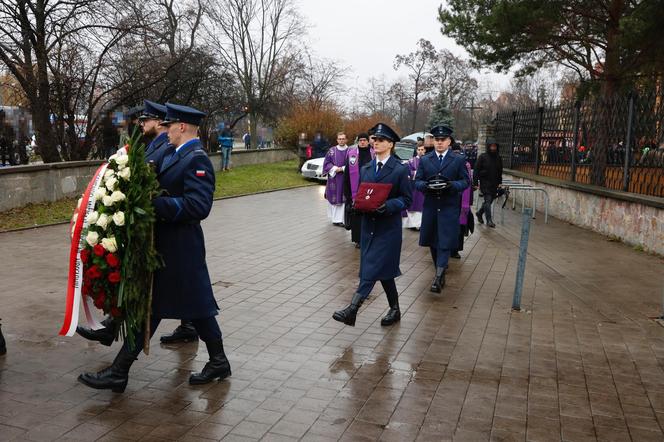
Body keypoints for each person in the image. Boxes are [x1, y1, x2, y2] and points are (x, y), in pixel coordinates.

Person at [78, 103, 231, 393]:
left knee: (160, 306)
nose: (166, 129)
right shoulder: (178, 154)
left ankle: (119, 372)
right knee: (194, 307)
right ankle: (218, 360)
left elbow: (199, 206)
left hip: (182, 246)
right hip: (169, 245)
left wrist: (152, 204)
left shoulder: (196, 159)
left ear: (182, 127)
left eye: (170, 125)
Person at [76, 100, 203, 346]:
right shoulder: (159, 145)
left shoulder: (177, 150)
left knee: (177, 291)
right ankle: (117, 335)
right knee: (187, 289)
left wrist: (152, 201)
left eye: (146, 120)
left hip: (172, 229)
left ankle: (120, 355)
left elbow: (189, 199)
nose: (141, 124)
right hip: (162, 227)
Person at [332, 123, 412, 327]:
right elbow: (362, 193)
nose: (375, 143)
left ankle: (353, 309)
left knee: (372, 267)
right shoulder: (366, 168)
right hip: (368, 227)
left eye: (381, 140)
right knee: (383, 272)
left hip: (388, 230)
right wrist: (356, 205)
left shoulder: (400, 170)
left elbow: (407, 199)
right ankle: (395, 309)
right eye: (374, 140)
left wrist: (389, 205)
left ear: (391, 144)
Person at [415, 125, 469, 293]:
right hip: (431, 205)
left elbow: (466, 181)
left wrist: (452, 185)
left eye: (442, 140)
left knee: (444, 241)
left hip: (448, 206)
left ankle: (438, 276)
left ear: (449, 141)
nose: (439, 143)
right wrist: (427, 186)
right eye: (437, 140)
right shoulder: (425, 159)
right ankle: (440, 269)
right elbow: (417, 181)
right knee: (432, 240)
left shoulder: (458, 160)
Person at [344, 132, 375, 247]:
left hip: (370, 189)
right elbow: (347, 174)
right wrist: (347, 193)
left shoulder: (374, 154)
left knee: (369, 215)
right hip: (355, 190)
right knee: (357, 216)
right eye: (360, 140)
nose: (362, 142)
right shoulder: (352, 154)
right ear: (358, 141)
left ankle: (369, 237)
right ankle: (358, 240)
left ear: (368, 141)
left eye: (365, 140)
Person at [450, 143, 473, 259]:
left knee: (458, 226)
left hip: (460, 199)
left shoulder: (465, 165)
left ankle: (454, 250)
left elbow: (468, 184)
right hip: (455, 199)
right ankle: (452, 250)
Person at [474, 139, 503, 228]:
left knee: (489, 201)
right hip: (485, 182)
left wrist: (500, 183)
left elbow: (500, 171)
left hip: (494, 183)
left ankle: (479, 213)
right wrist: (475, 182)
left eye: (494, 146)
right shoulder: (482, 157)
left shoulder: (498, 158)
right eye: (491, 146)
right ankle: (489, 220)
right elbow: (476, 170)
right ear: (488, 146)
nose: (493, 148)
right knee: (487, 199)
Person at [323, 132, 349, 226]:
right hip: (334, 178)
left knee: (344, 198)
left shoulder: (350, 151)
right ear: (337, 140)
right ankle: (335, 219)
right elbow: (326, 163)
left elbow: (353, 163)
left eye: (343, 138)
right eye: (339, 139)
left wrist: (342, 168)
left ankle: (342, 219)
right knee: (335, 197)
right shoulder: (331, 151)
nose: (341, 140)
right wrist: (334, 169)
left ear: (346, 140)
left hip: (346, 177)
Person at [403, 144, 426, 229]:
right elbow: (408, 172)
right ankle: (412, 225)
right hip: (414, 187)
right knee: (414, 205)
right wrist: (416, 173)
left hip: (423, 186)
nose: (420, 151)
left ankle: (421, 225)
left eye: (422, 149)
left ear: (425, 151)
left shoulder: (427, 160)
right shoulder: (411, 161)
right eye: (419, 149)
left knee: (422, 205)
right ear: (416, 151)